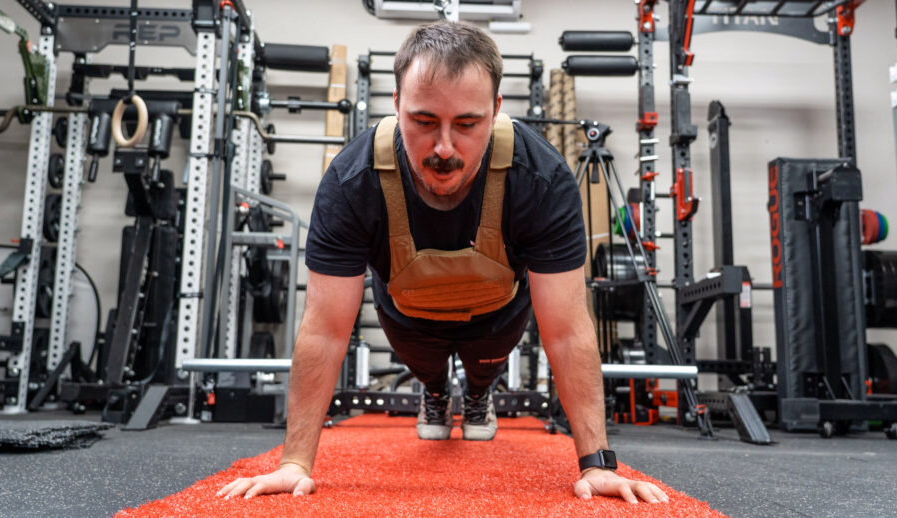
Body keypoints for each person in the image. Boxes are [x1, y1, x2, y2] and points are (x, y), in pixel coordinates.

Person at [217, 21, 668, 505]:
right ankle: (434, 393)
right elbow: (325, 329)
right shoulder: (352, 182)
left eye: (468, 124)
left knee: (482, 373)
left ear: (496, 111)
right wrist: (294, 463)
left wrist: (596, 464)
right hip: (408, 317)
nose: (445, 149)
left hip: (497, 319)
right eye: (424, 121)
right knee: (428, 370)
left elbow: (567, 330)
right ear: (395, 105)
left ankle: (476, 397)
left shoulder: (541, 180)